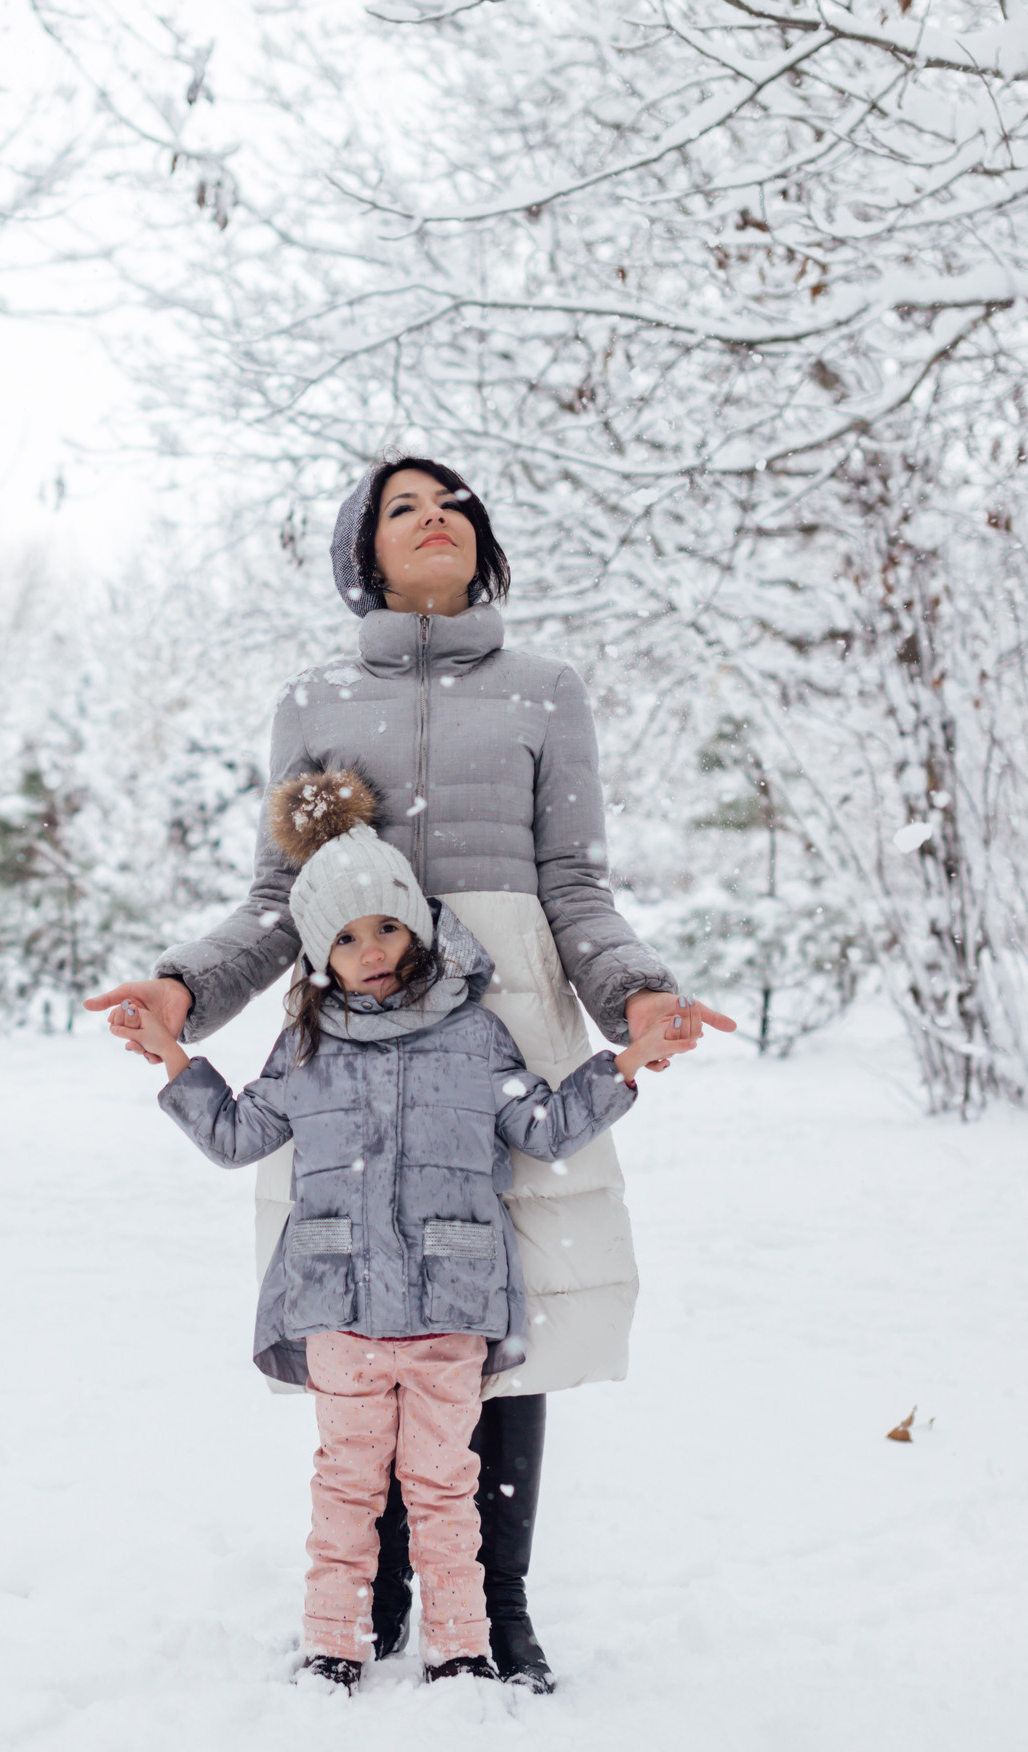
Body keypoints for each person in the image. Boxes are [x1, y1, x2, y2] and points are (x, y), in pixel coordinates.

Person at [88, 456, 738, 1690]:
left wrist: (636, 992)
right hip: (350, 1025)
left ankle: (496, 1601)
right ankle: (377, 1590)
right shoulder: (316, 699)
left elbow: (576, 890)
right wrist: (183, 986)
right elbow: (280, 902)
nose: (434, 515)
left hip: (509, 1027)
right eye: (402, 506)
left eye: (452, 503)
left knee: (508, 1315)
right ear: (364, 551)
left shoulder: (547, 693)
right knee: (367, 1293)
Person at [121, 769, 700, 1692]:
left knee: (444, 1489)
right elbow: (236, 1136)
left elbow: (543, 1128)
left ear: (419, 925)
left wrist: (623, 1064)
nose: (372, 949)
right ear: (319, 956)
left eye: (387, 924)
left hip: (448, 1309)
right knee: (346, 1489)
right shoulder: (305, 1051)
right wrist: (175, 1063)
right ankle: (335, 1642)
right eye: (346, 938)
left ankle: (462, 1646)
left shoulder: (473, 1039)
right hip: (338, 1308)